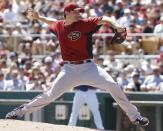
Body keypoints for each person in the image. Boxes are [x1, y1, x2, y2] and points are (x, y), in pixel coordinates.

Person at [5, 2, 149, 127]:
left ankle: (135, 117)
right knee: (50, 95)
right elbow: (51, 21)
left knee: (112, 85)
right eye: (75, 12)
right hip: (69, 70)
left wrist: (116, 25)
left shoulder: (85, 24)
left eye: (79, 11)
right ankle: (19, 112)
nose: (79, 13)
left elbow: (105, 18)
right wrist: (39, 17)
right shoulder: (59, 26)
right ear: (67, 13)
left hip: (89, 68)